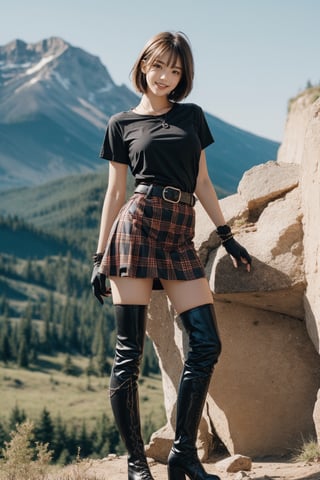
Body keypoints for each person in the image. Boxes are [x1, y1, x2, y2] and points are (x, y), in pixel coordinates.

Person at [91, 31, 251, 480]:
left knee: (206, 342)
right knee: (129, 353)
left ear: (184, 76)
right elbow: (115, 192)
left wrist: (227, 235)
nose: (165, 77)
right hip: (136, 228)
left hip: (180, 233)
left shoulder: (191, 116)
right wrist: (99, 257)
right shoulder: (120, 123)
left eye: (176, 70)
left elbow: (202, 181)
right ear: (143, 65)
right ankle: (137, 463)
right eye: (159, 66)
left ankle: (183, 454)